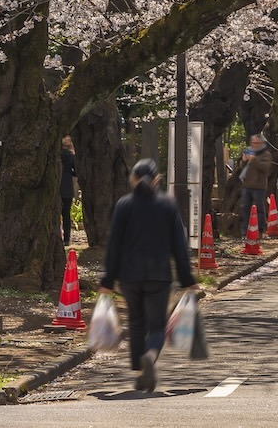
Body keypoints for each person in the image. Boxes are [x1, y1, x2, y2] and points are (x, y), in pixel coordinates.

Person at [100, 159, 195, 393]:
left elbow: (114, 245)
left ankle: (140, 372)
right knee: (156, 326)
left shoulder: (124, 205)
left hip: (129, 276)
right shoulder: (167, 205)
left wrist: (107, 280)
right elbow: (179, 246)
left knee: (136, 323)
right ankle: (150, 357)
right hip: (158, 275)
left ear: (133, 179)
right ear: (157, 179)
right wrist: (187, 280)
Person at [238, 133, 272, 233]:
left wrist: (253, 160)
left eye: (257, 143)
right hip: (246, 185)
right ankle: (245, 230)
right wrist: (244, 161)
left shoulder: (266, 154)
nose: (254, 145)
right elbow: (242, 168)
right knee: (245, 208)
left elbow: (265, 168)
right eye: (253, 143)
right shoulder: (249, 151)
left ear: (261, 143)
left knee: (259, 209)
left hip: (259, 186)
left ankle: (260, 229)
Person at [60, 136, 77, 246]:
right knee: (66, 214)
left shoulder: (56, 155)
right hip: (67, 187)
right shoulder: (71, 156)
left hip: (56, 187)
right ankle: (66, 239)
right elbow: (76, 172)